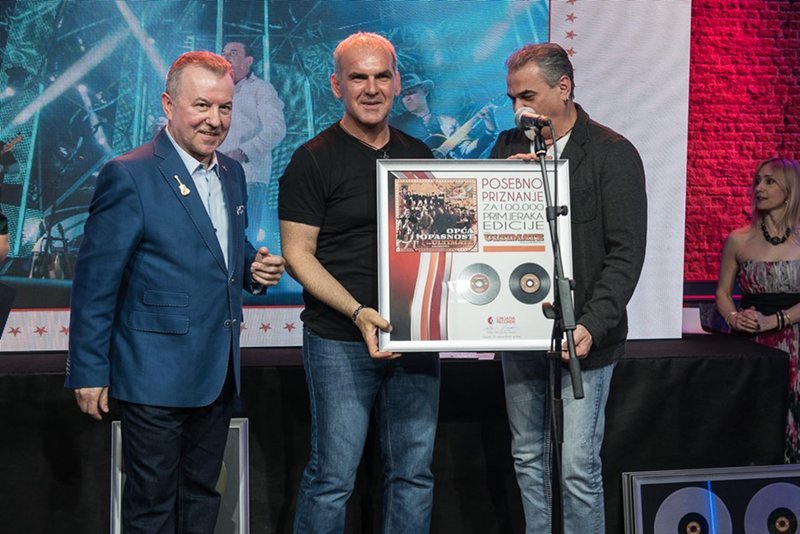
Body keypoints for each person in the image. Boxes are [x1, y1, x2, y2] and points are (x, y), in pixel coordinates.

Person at [65, 51, 285, 533]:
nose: (215, 120)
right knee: (152, 510)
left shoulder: (232, 174)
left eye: (225, 107)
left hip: (218, 373)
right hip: (153, 377)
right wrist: (88, 369)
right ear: (168, 105)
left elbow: (222, 247)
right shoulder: (129, 174)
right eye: (202, 105)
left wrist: (253, 268)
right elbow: (94, 284)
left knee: (204, 498)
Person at [279, 32, 440, 533]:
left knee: (414, 475)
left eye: (381, 76)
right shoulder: (312, 159)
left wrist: (520, 181)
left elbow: (447, 245)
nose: (371, 89)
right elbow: (297, 255)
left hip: (414, 339)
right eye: (358, 78)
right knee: (332, 478)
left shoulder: (420, 155)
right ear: (336, 86)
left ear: (397, 82)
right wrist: (357, 311)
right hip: (339, 340)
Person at [490, 43, 647, 533]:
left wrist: (591, 325)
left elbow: (626, 254)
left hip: (585, 336)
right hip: (520, 333)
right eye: (513, 98)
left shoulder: (612, 152)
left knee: (578, 466)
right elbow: (483, 239)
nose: (519, 109)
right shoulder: (504, 147)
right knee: (527, 455)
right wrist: (501, 187)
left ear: (564, 88)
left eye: (528, 96)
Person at [715, 156, 800, 463]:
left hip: (796, 345)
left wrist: (775, 320)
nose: (759, 188)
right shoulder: (738, 239)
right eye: (757, 181)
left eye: (769, 181)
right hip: (754, 348)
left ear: (789, 190)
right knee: (756, 425)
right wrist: (734, 318)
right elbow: (722, 294)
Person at [219, 40, 286, 244]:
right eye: (224, 53)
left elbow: (276, 128)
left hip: (249, 176)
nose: (226, 56)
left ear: (248, 61)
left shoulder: (261, 89)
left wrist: (244, 151)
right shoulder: (219, 90)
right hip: (218, 173)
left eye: (233, 53)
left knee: (244, 238)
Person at [391, 72, 497, 158]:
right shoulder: (395, 126)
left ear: (425, 92)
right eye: (403, 95)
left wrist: (490, 131)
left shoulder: (447, 122)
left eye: (411, 92)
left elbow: (467, 153)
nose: (407, 98)